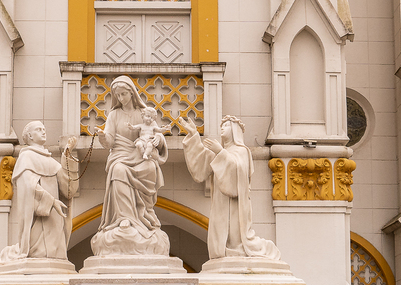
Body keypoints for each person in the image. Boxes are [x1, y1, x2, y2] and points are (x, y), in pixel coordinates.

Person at [181, 114, 282, 262]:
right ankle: (224, 250)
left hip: (235, 204)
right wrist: (193, 134)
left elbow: (239, 171)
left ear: (235, 130)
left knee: (234, 235)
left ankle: (236, 249)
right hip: (220, 202)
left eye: (226, 125)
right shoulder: (219, 150)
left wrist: (220, 152)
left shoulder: (241, 150)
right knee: (220, 229)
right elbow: (200, 165)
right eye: (222, 125)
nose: (222, 128)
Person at [91, 76, 171, 256]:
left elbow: (156, 132)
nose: (121, 98)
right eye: (118, 95)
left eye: (124, 94)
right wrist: (103, 137)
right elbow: (110, 141)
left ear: (132, 94)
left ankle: (145, 215)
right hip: (120, 153)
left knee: (150, 168)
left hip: (141, 154)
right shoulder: (114, 115)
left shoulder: (143, 112)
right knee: (118, 170)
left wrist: (158, 139)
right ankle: (124, 218)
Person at [0, 121, 80, 264]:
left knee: (54, 254)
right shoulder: (26, 157)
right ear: (30, 136)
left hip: (54, 218)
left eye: (44, 129)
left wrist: (67, 155)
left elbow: (68, 188)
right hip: (39, 216)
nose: (43, 131)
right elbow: (29, 186)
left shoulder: (50, 160)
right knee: (38, 251)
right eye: (39, 129)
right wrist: (51, 201)